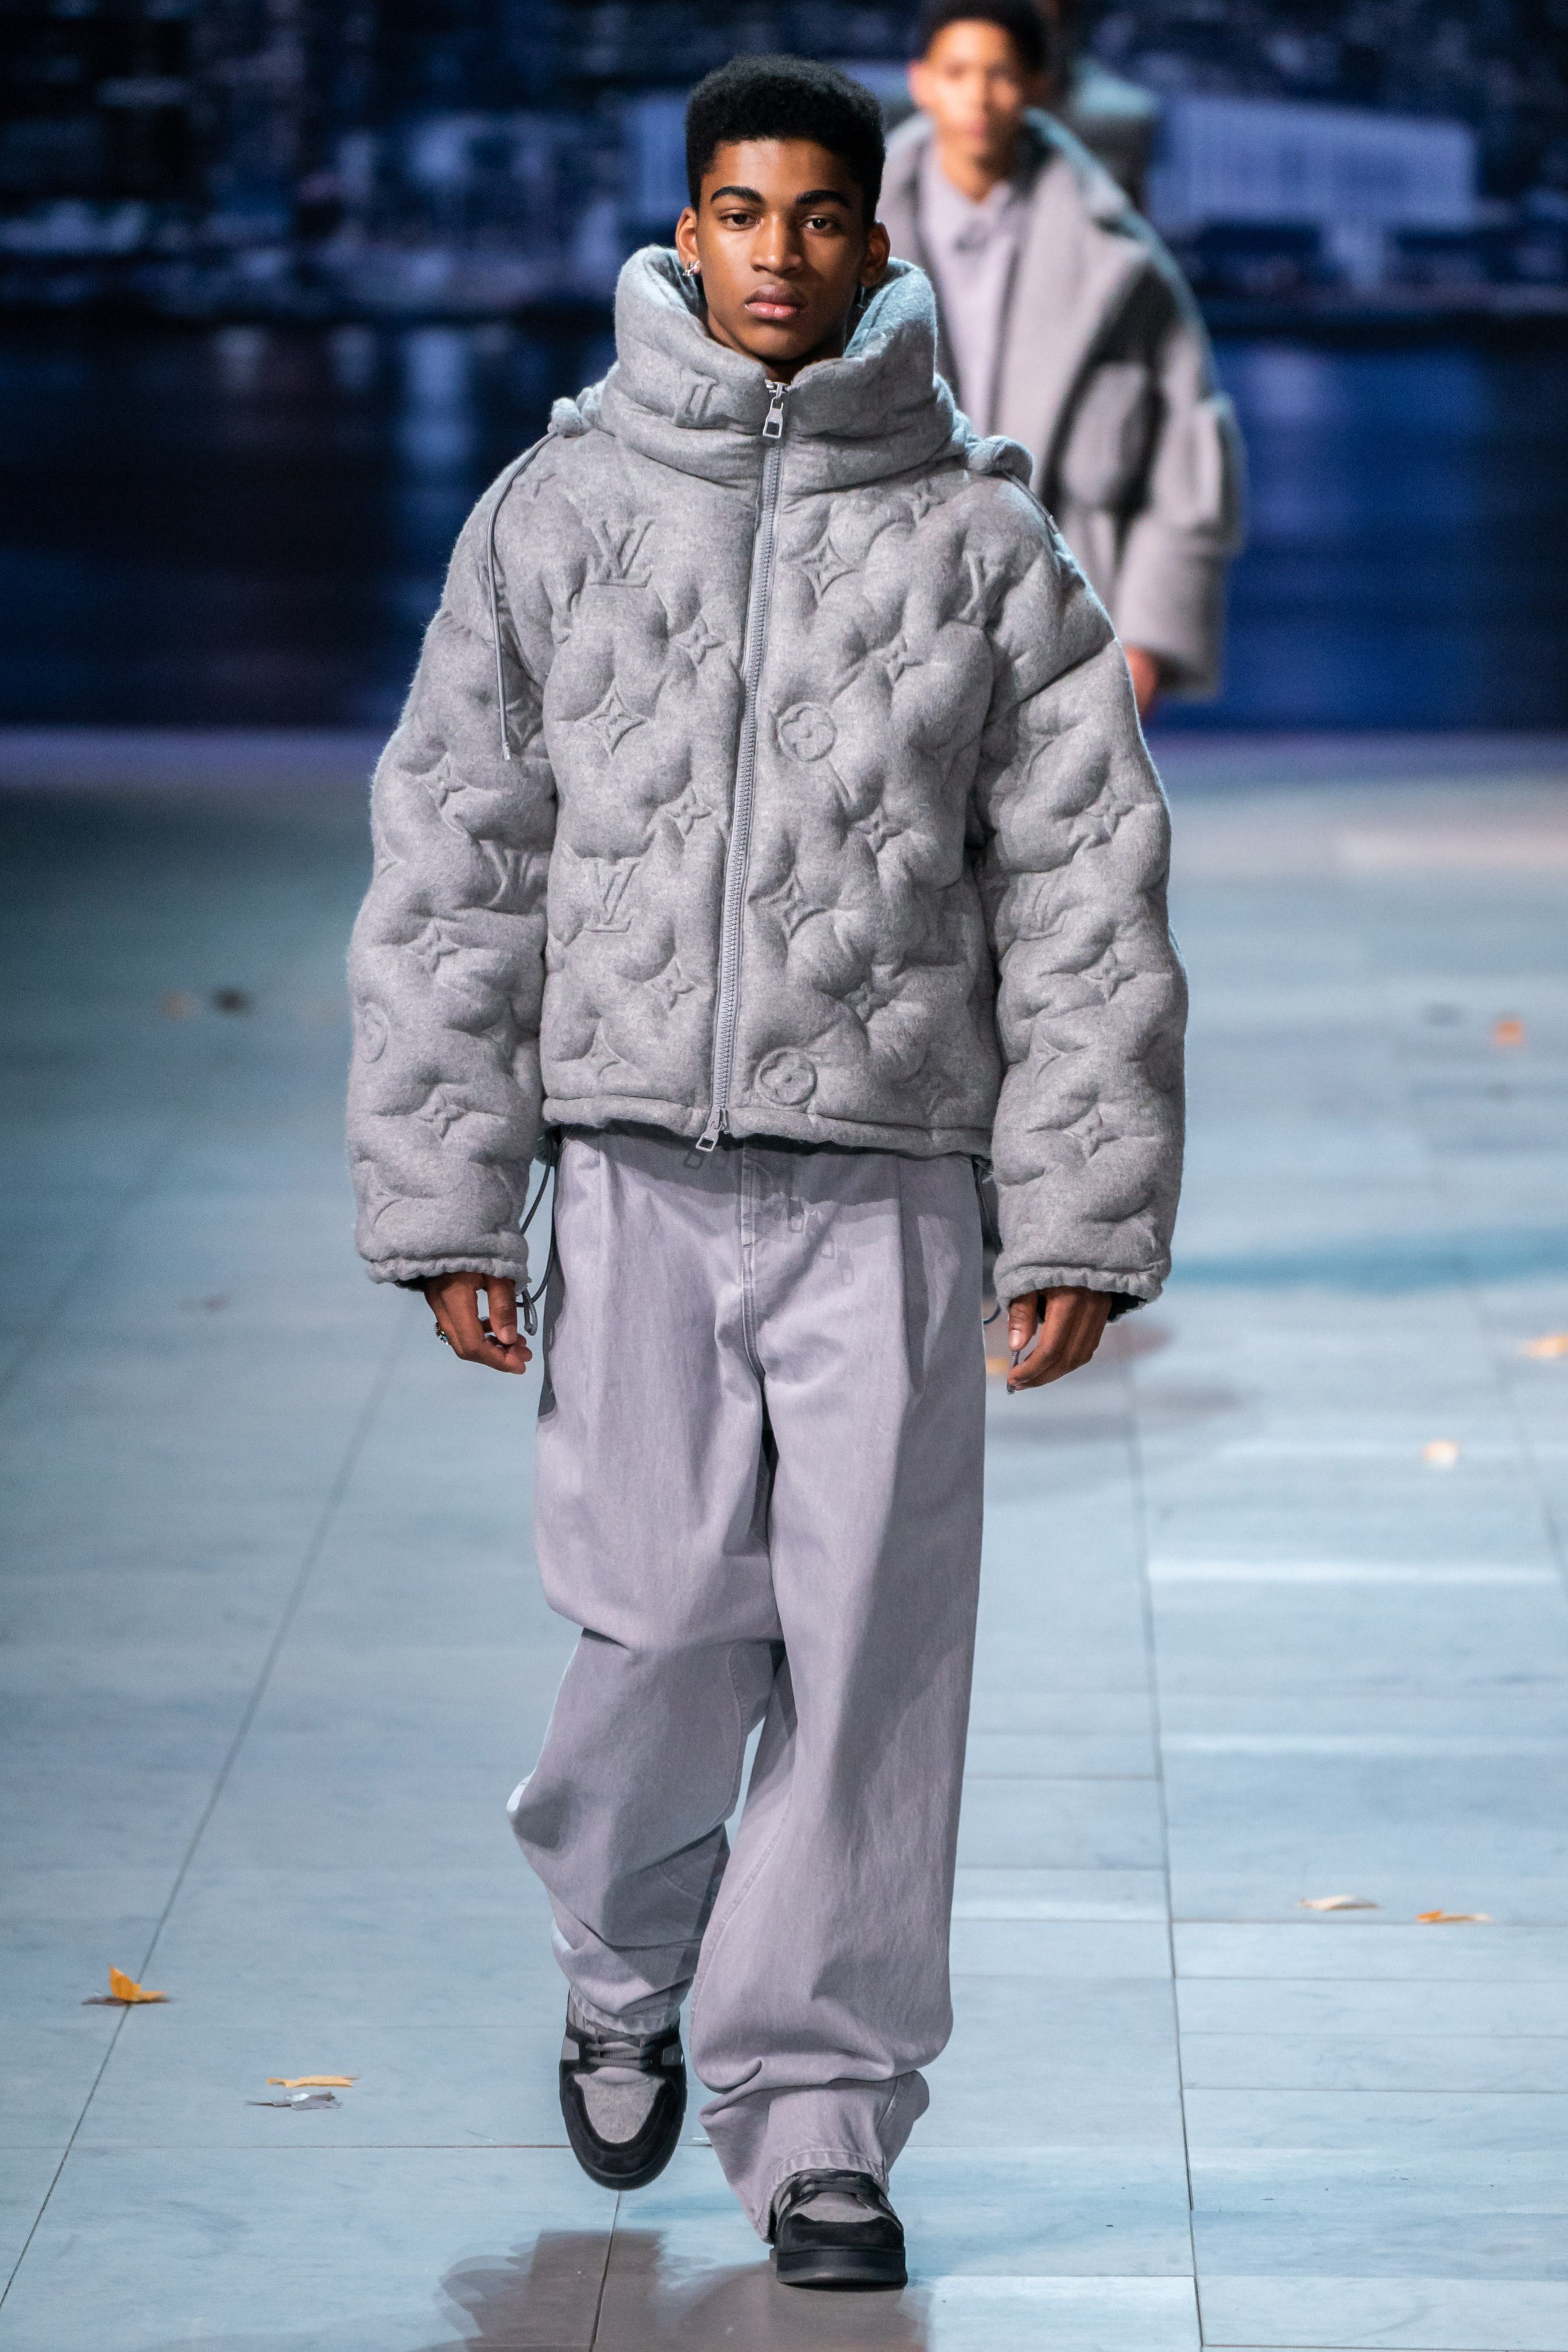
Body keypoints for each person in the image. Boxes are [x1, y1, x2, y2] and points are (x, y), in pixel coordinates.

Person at [346, 51, 1185, 2293]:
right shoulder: (554, 513)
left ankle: (816, 2109)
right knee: (656, 1624)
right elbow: (453, 863)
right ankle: (623, 1957)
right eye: (742, 214)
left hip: (896, 1178)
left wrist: (1081, 1209)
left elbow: (1088, 892)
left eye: (822, 219)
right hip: (630, 1171)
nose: (783, 254)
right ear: (685, 231)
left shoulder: (985, 540)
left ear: (877, 239)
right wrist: (448, 1192)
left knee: (874, 1661)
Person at [883, 0, 1245, 716]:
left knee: (1072, 828)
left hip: (1071, 618)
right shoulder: (835, 243)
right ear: (921, 82)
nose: (979, 98)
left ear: (1040, 84)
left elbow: (1186, 446)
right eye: (957, 72)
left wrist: (1148, 638)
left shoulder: (1119, 259)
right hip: (887, 622)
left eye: (1001, 75)